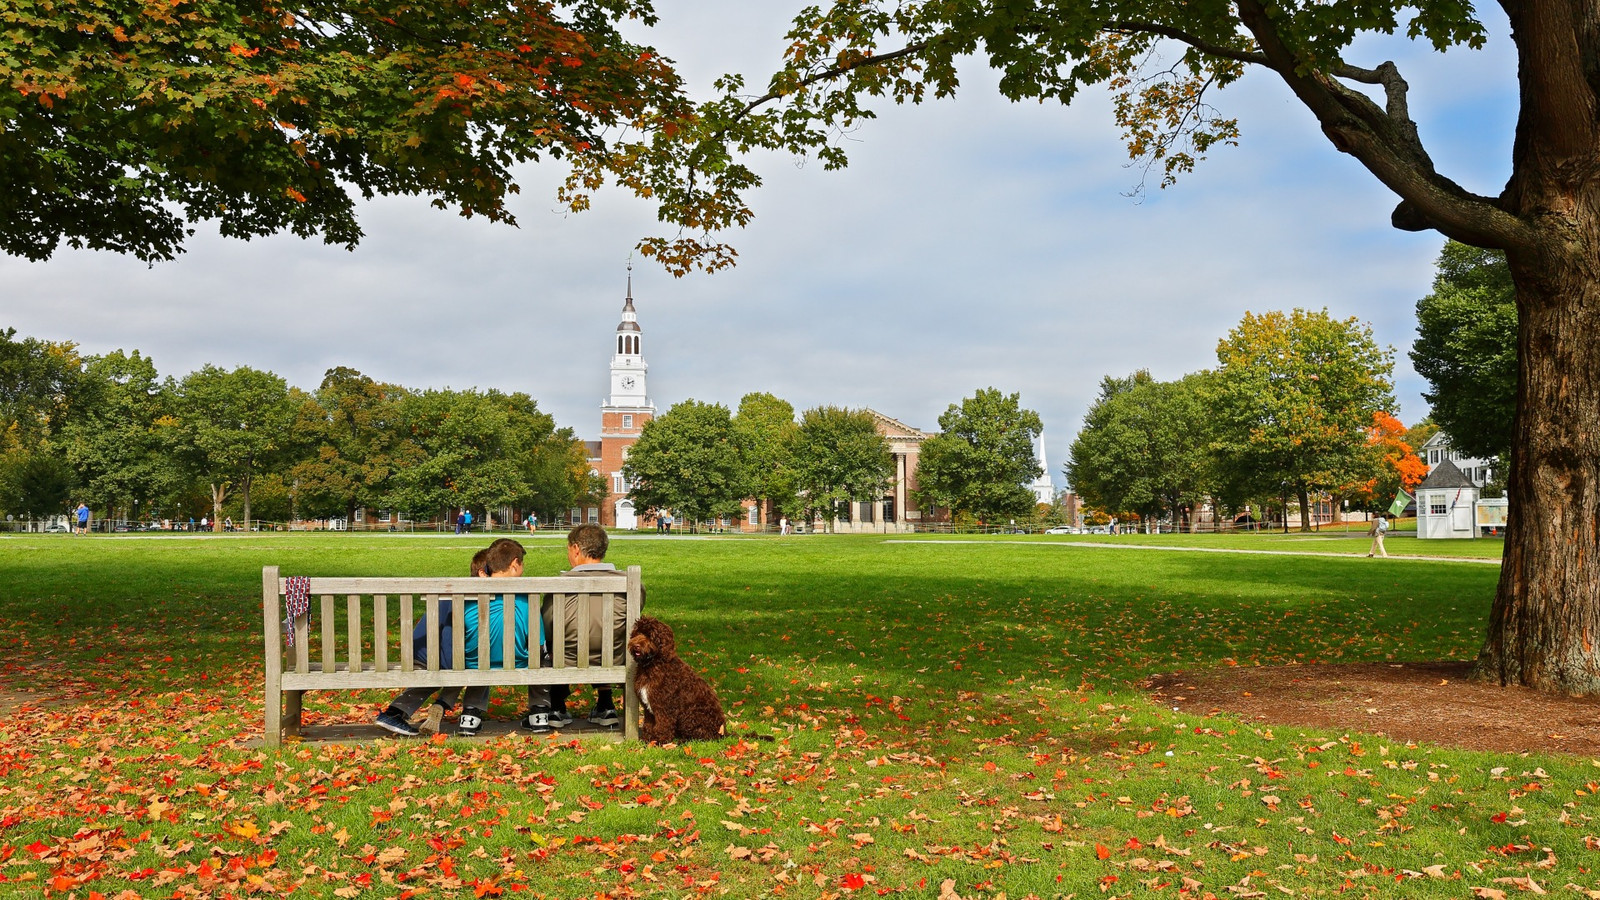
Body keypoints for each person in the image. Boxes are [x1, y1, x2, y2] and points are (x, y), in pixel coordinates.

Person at [375, 540, 538, 737]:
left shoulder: (459, 595)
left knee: (476, 659)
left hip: (422, 649)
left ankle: (404, 711)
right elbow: (450, 645)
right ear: (482, 574)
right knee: (478, 661)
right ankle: (459, 710)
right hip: (434, 654)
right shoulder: (467, 600)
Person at [523, 524, 637, 732]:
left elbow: (546, 627)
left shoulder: (559, 586)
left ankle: (556, 705)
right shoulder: (628, 585)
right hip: (613, 657)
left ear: (576, 549)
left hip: (566, 658)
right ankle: (606, 704)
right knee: (607, 637)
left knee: (551, 640)